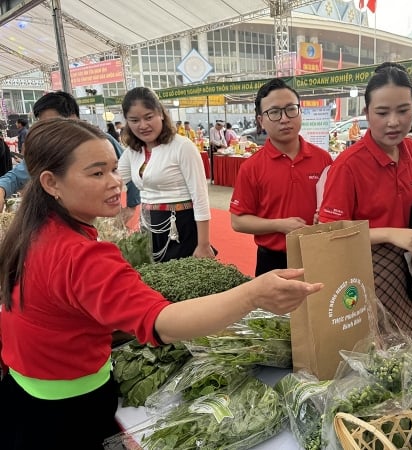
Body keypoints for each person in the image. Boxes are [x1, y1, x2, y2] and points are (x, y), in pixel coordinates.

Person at [0, 118, 323, 449]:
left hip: (25, 394)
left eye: (114, 169)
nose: (115, 182)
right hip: (68, 411)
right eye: (97, 173)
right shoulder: (82, 256)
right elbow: (163, 324)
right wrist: (253, 294)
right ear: (51, 182)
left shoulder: (31, 231)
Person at [318, 62, 412, 331]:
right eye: (382, 112)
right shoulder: (348, 165)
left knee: (406, 339)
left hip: (405, 268)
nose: (394, 122)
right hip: (363, 271)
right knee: (371, 348)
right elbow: (328, 232)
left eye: (403, 110)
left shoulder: (410, 150)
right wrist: (388, 233)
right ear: (366, 113)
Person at [230, 78, 332, 276]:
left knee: (319, 307)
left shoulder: (323, 159)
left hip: (317, 254)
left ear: (300, 111)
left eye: (290, 109)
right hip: (273, 261)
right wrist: (279, 225)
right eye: (274, 112)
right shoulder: (251, 167)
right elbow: (238, 221)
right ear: (261, 120)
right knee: (274, 309)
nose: (285, 118)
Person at [0, 92, 141, 219]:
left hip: (103, 216)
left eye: (54, 124)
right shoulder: (48, 147)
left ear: (74, 118)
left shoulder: (101, 142)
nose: (49, 132)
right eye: (44, 126)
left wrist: (130, 206)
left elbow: (130, 171)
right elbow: (18, 175)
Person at [118, 86, 214, 262]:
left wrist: (203, 244)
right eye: (134, 120)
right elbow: (114, 181)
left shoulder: (182, 146)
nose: (143, 125)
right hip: (148, 226)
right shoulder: (132, 151)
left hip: (180, 227)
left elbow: (200, 197)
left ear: (161, 114)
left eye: (149, 117)